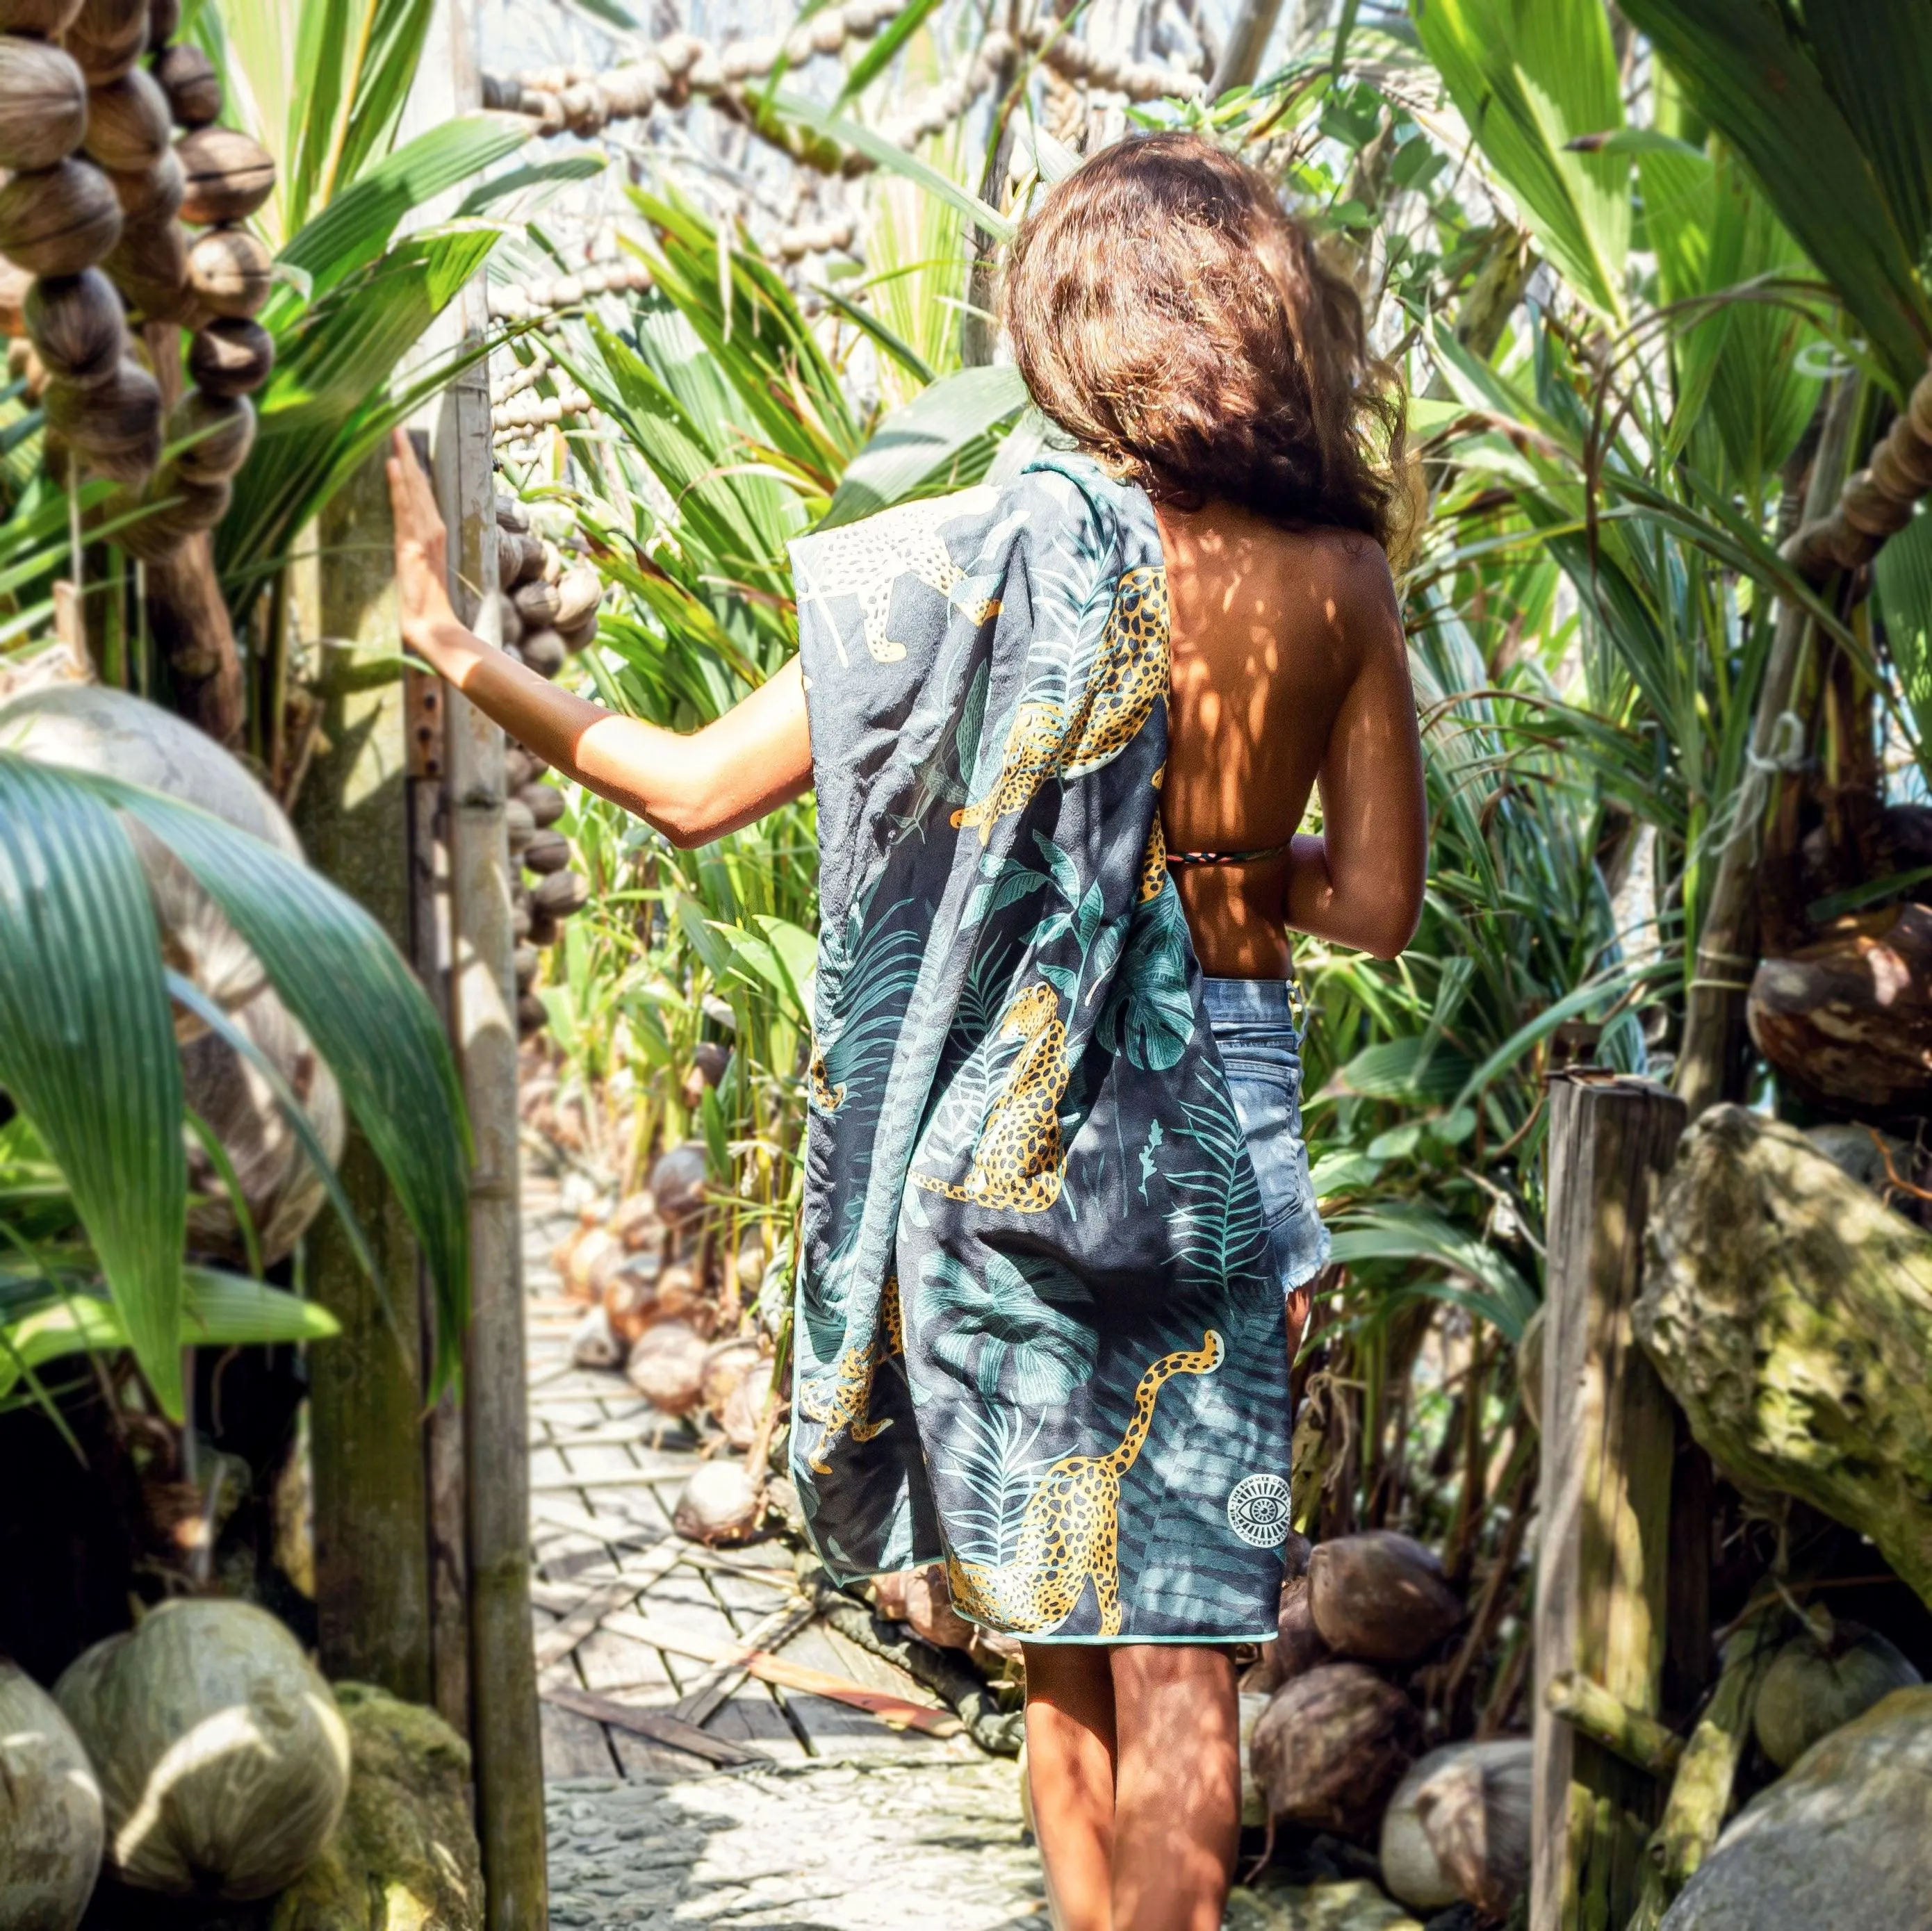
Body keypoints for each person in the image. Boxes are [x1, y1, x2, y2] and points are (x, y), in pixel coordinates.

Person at [391, 130, 1424, 1931]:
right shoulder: (1337, 574)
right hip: (1219, 1156)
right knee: (1179, 1645)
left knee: (1052, 1642)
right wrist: (1219, 845)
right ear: (1262, 325)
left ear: (1072, 328)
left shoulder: (994, 547)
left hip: (996, 1152)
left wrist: (455, 648)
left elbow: (698, 791)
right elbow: (1372, 908)